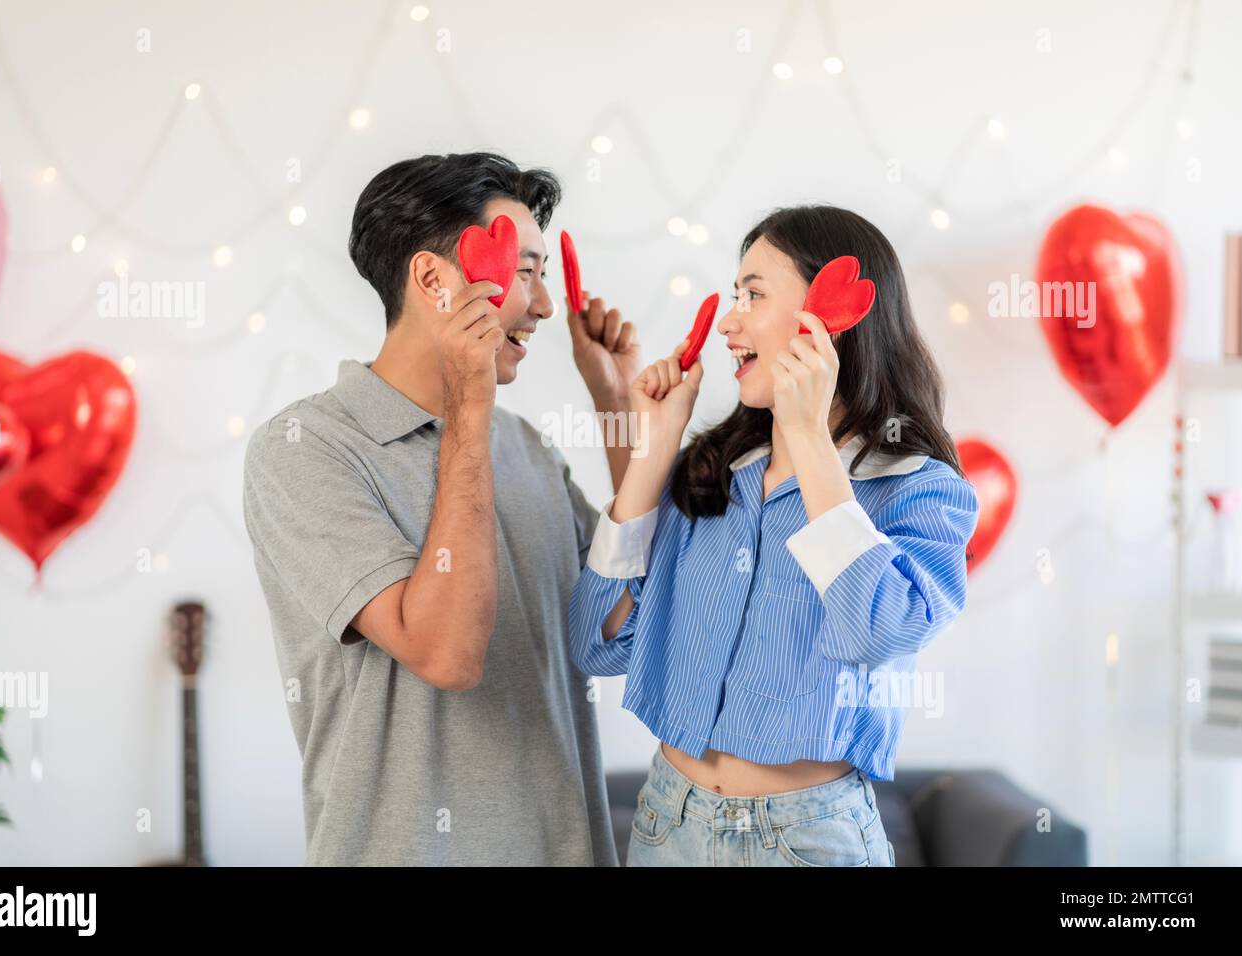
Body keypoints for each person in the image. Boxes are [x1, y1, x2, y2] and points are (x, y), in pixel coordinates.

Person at [243, 152, 640, 865]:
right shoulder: (303, 450)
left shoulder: (525, 447)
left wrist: (616, 411)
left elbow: (626, 624)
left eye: (544, 272)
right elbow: (449, 654)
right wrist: (470, 409)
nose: (546, 305)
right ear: (433, 279)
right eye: (523, 271)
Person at [568, 204, 979, 866]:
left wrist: (810, 435)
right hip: (666, 822)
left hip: (809, 839)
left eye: (752, 294)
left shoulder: (918, 489)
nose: (729, 322)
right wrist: (655, 449)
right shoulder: (712, 473)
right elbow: (600, 641)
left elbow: (877, 632)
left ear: (832, 313)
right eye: (734, 295)